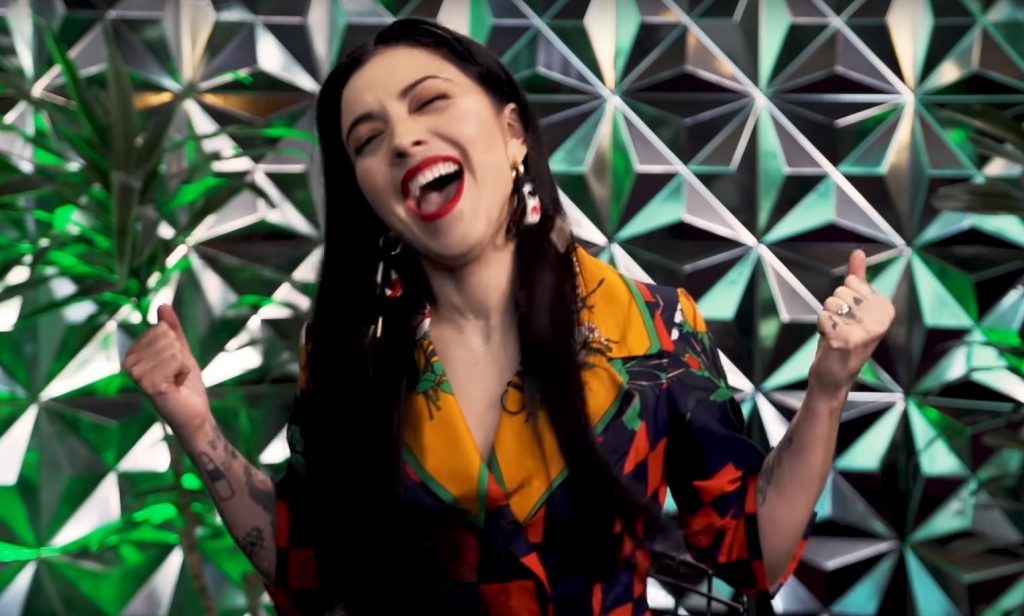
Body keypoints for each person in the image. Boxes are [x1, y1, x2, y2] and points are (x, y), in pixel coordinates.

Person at [124, 18, 895, 615]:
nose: (404, 139)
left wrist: (829, 386)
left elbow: (752, 548)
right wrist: (197, 427)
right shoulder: (350, 352)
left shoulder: (655, 328)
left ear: (513, 132)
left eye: (429, 101)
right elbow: (310, 566)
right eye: (369, 138)